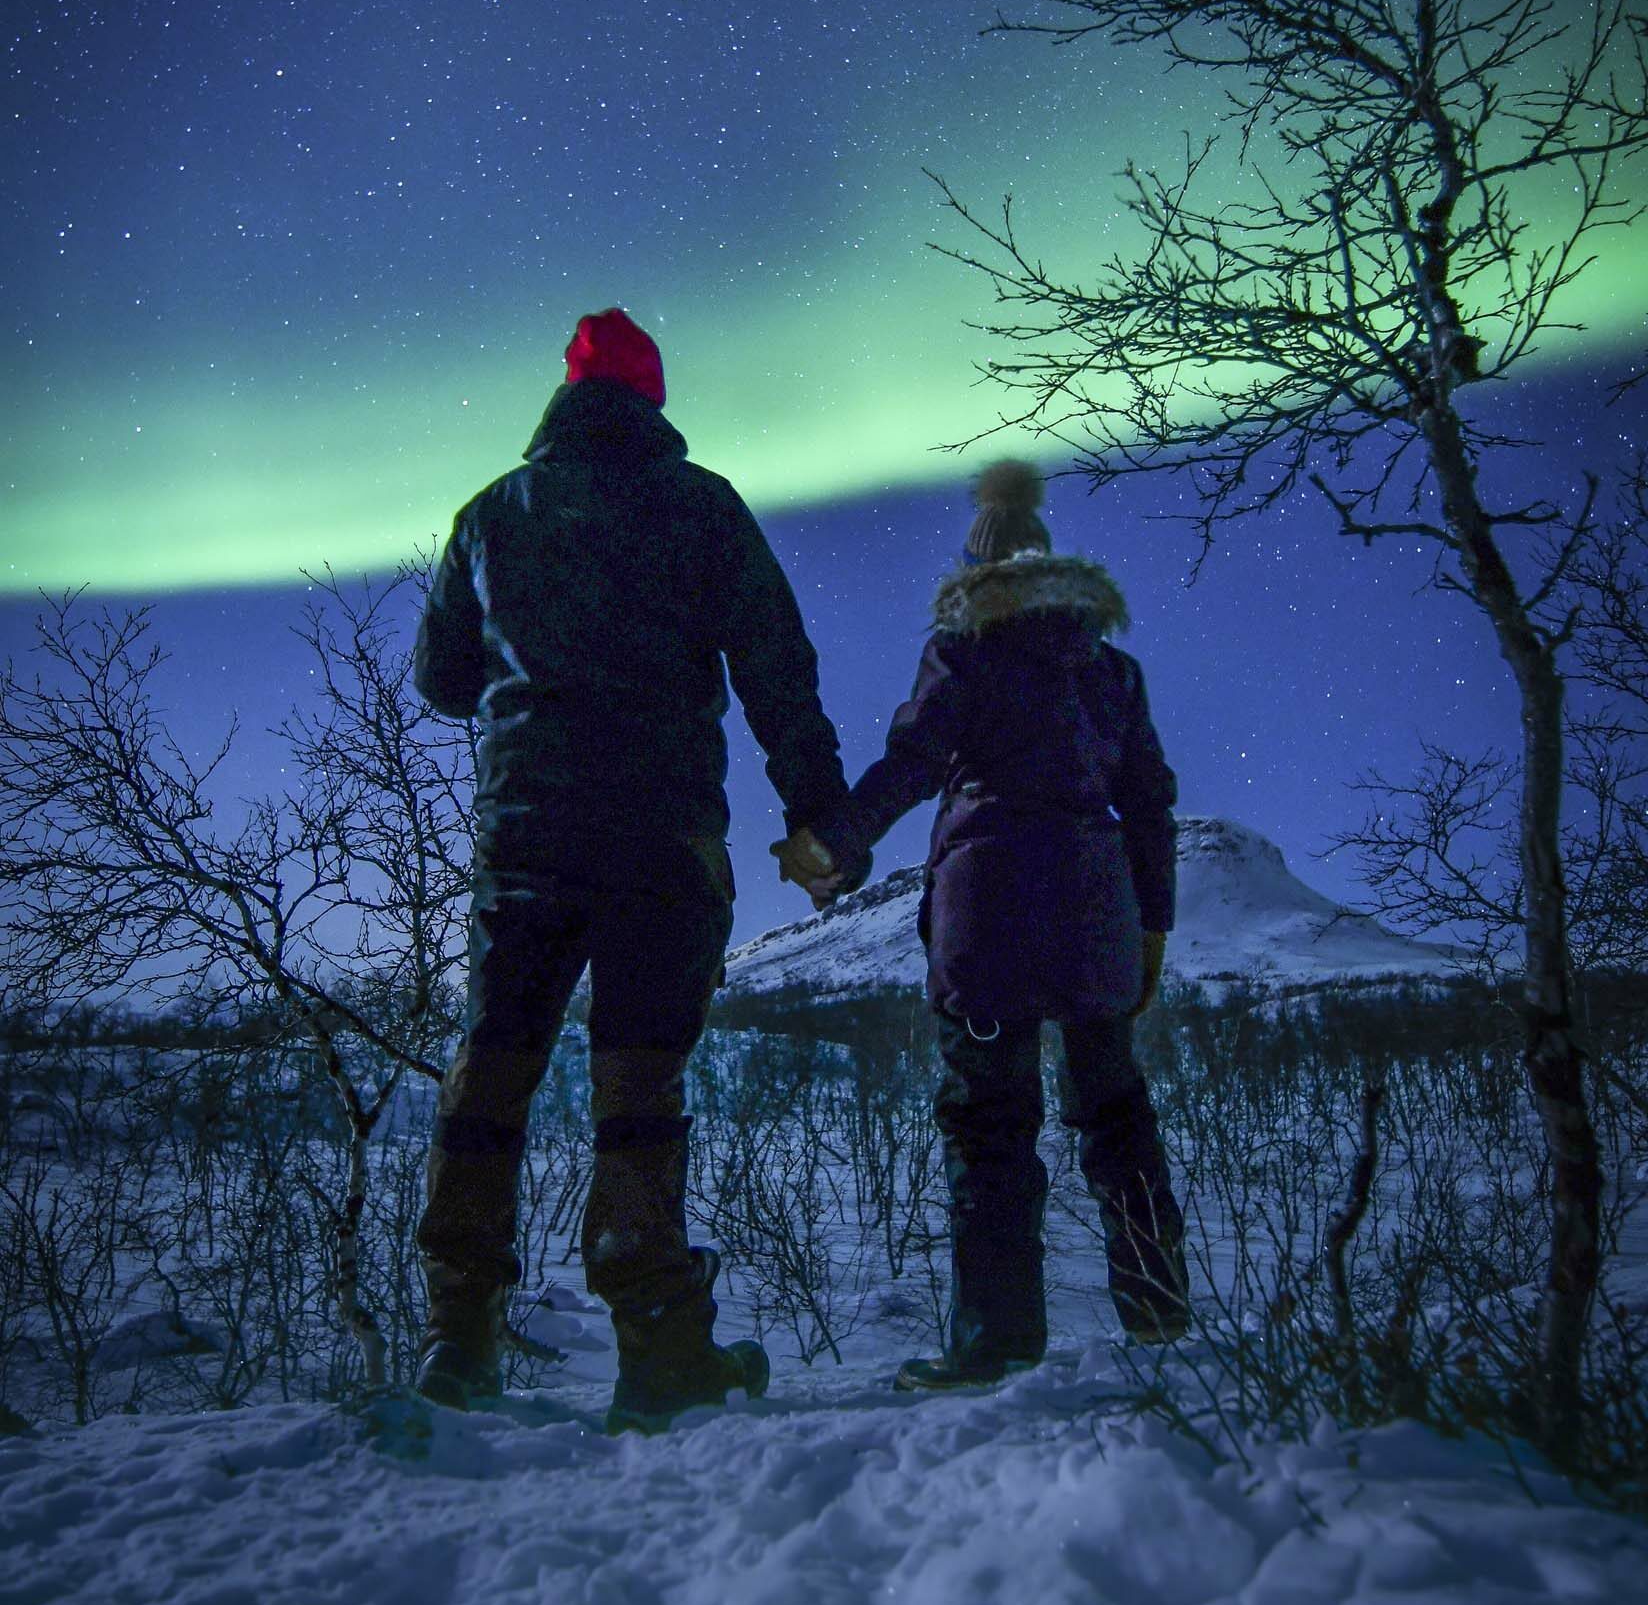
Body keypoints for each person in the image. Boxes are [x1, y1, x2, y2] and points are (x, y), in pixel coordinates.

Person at [413, 307, 867, 1432]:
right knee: (638, 1083)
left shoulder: (490, 514)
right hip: (663, 837)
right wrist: (818, 812)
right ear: (651, 400)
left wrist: (535, 679)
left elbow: (441, 678)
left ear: (561, 399)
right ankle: (657, 1345)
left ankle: (456, 1341)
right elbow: (777, 667)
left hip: (528, 833)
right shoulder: (701, 504)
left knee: (494, 1069)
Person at [781, 459, 1186, 1389]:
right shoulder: (1112, 673)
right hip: (1096, 916)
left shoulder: (963, 652)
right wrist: (1151, 927)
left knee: (990, 1124)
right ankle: (1162, 1318)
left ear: (977, 571)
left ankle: (995, 1345)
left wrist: (832, 842)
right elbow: (1150, 806)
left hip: (990, 913)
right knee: (1115, 1110)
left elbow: (913, 761)